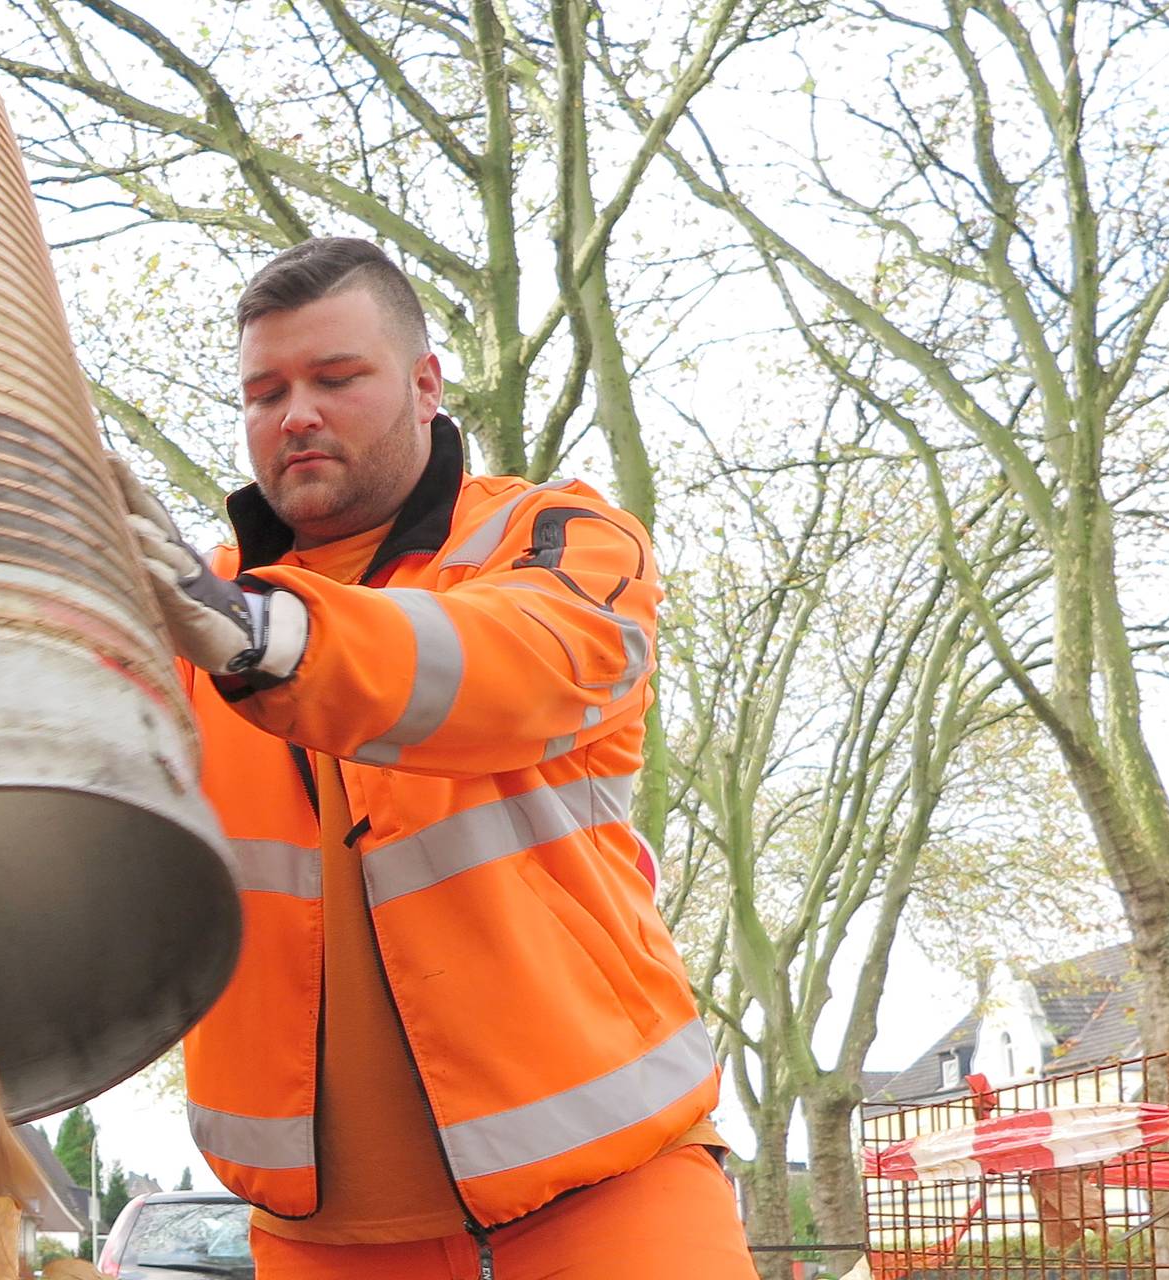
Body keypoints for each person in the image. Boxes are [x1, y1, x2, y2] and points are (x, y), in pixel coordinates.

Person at [118, 238, 755, 1279]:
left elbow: (516, 665)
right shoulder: (192, 610)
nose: (295, 414)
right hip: (318, 1242)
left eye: (335, 378)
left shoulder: (556, 536)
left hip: (612, 1201)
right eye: (265, 392)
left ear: (425, 385)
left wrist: (261, 635)